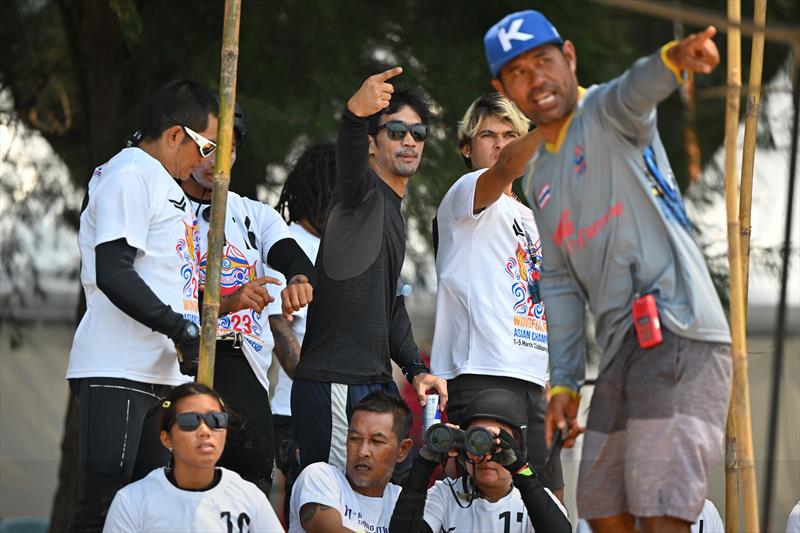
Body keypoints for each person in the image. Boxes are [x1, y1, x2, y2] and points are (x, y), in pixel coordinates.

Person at [484, 10, 732, 532]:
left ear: (569, 58)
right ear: (503, 87)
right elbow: (560, 284)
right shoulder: (540, 175)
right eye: (519, 73)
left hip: (680, 332)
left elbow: (635, 87)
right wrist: (566, 385)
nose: (537, 79)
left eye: (544, 61)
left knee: (662, 507)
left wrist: (675, 60)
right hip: (622, 348)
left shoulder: (604, 109)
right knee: (601, 508)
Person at [66, 80, 218, 532]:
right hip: (120, 367)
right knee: (104, 503)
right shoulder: (131, 170)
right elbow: (113, 269)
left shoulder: (163, 183)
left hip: (162, 373)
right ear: (176, 135)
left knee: (153, 509)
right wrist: (179, 328)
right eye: (206, 146)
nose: (207, 161)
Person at [291, 67, 447, 470]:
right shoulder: (358, 197)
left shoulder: (393, 211)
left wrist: (416, 370)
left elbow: (391, 306)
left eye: (418, 133)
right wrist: (353, 116)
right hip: (334, 382)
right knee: (329, 507)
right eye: (395, 131)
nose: (409, 140)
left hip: (374, 383)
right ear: (372, 145)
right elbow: (348, 161)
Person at [181, 97, 316, 496]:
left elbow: (290, 254)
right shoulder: (166, 209)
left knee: (251, 481)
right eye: (208, 147)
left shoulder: (253, 214)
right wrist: (227, 300)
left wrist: (299, 278)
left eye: (229, 148)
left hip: (244, 360)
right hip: (183, 357)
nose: (217, 159)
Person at [430, 93, 563, 497]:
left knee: (550, 502)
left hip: (534, 376)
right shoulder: (465, 196)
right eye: (488, 135)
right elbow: (507, 166)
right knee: (478, 499)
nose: (501, 143)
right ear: (467, 149)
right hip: (480, 372)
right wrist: (556, 123)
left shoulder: (536, 217)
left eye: (510, 134)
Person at [266, 141, 337, 524]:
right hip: (295, 410)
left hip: (338, 404)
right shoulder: (289, 244)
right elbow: (278, 325)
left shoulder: (334, 245)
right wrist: (314, 378)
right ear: (319, 188)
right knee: (303, 514)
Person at [103, 382, 283, 532]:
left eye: (216, 420)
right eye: (189, 421)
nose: (205, 431)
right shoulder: (132, 501)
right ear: (166, 439)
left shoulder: (248, 496)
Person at [389, 388, 570, 532]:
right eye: (475, 440)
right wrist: (424, 463)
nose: (486, 455)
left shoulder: (536, 500)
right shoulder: (445, 495)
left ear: (517, 446)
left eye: (494, 444)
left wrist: (521, 470)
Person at [288, 390, 413, 533]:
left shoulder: (402, 501)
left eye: (376, 441)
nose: (362, 452)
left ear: (402, 449)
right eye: (355, 438)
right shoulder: (320, 476)